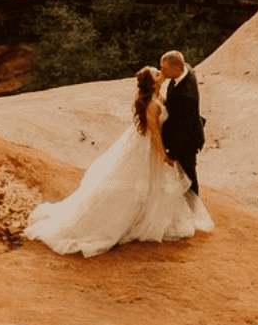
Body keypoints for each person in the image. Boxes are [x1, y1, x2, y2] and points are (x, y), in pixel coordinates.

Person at [23, 66, 213, 257]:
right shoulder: (153, 105)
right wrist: (163, 156)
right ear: (152, 82)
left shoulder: (157, 98)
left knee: (149, 185)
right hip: (147, 148)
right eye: (157, 74)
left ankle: (143, 215)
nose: (161, 74)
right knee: (138, 184)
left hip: (148, 146)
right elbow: (155, 134)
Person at [159, 50, 204, 195]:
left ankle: (194, 209)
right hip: (182, 132)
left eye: (164, 69)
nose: (162, 71)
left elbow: (184, 129)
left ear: (176, 68)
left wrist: (173, 154)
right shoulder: (185, 71)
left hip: (186, 142)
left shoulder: (186, 94)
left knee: (188, 177)